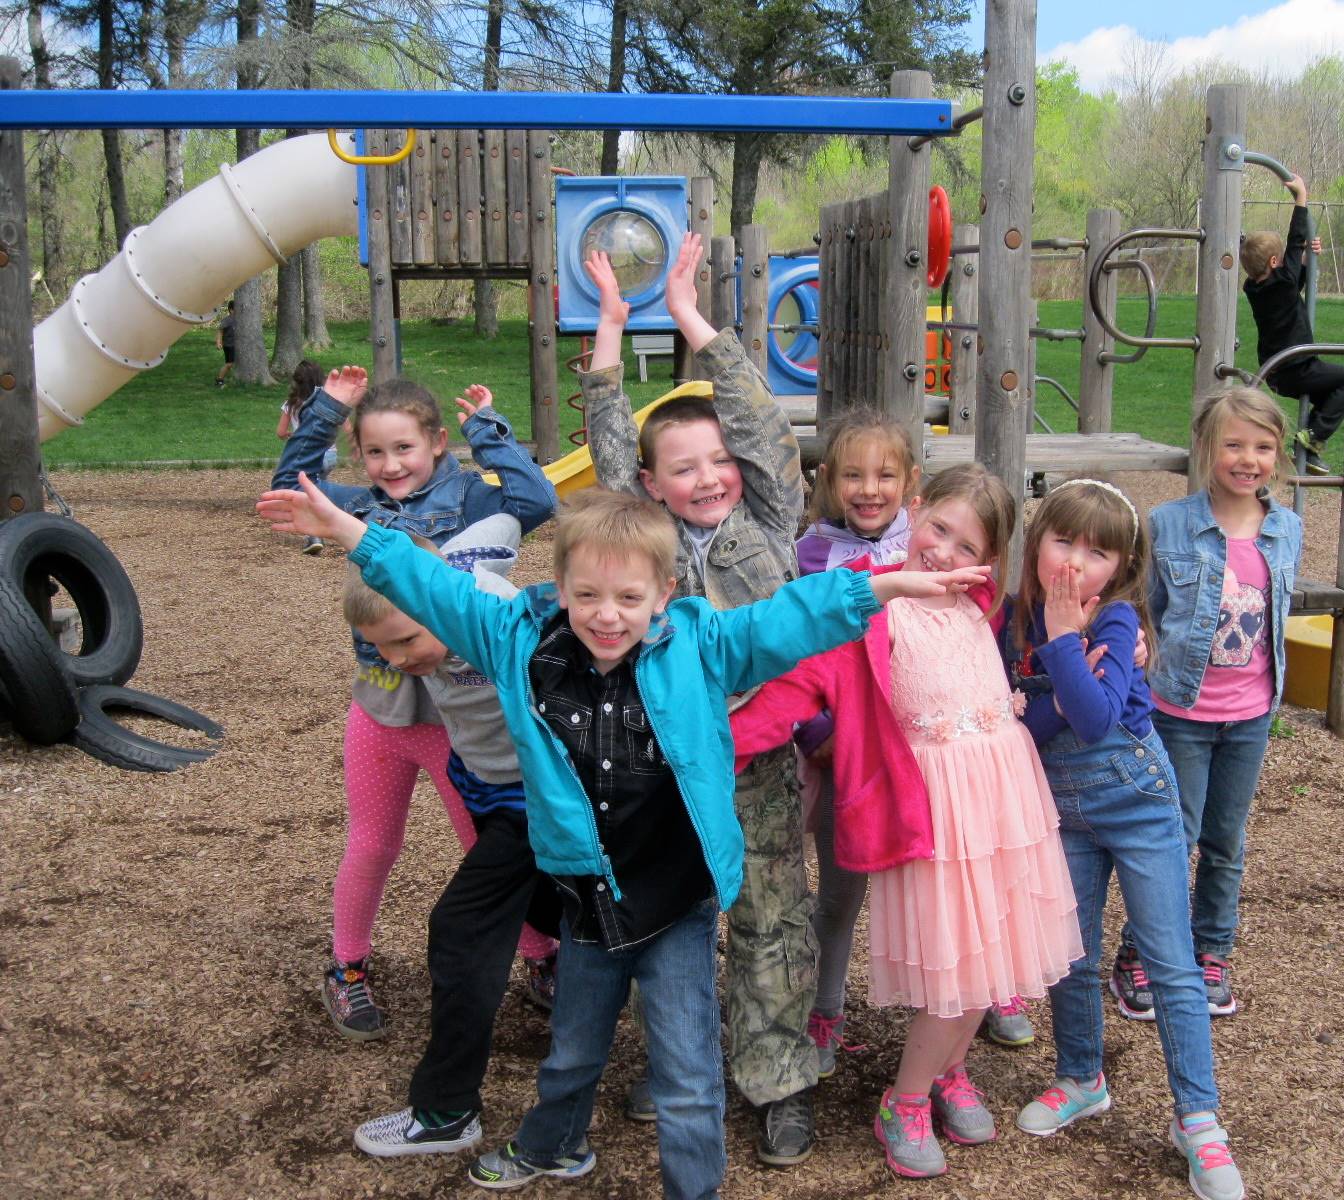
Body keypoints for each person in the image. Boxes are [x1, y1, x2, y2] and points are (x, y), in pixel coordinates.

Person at [254, 480, 990, 1199]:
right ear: (560, 586)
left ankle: (693, 1187)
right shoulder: (516, 640)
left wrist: (882, 588)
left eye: (630, 599)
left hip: (675, 901)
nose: (608, 616)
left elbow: (785, 618)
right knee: (572, 1051)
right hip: (588, 895)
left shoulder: (700, 644)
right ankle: (553, 1147)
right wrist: (349, 531)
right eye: (588, 597)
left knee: (686, 1072)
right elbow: (428, 585)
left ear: (665, 593)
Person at [730, 464, 1082, 1181]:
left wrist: (1123, 638)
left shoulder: (985, 605)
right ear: (916, 510)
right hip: (936, 809)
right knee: (959, 961)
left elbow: (1089, 598)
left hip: (1002, 799)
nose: (945, 551)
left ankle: (951, 1070)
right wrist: (723, 740)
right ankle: (907, 1098)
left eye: (967, 543)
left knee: (997, 952)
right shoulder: (875, 603)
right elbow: (803, 672)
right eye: (940, 528)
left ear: (989, 558)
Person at [581, 232, 822, 1164]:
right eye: (684, 468)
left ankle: (778, 1077)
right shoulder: (638, 537)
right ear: (652, 487)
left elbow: (761, 425)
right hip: (665, 768)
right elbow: (607, 442)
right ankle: (683, 1061)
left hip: (755, 762)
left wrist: (688, 317)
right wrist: (611, 326)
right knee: (666, 921)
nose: (709, 476)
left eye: (716, 460)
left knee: (770, 916)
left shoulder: (766, 522)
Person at [271, 365, 557, 1040]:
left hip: (459, 712)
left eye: (405, 447)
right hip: (380, 703)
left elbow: (537, 499)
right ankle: (346, 966)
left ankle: (541, 956)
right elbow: (289, 490)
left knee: (486, 845)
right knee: (373, 842)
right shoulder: (361, 510)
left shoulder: (473, 502)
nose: (390, 464)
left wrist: (485, 433)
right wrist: (325, 412)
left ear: (435, 443)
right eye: (375, 451)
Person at [1003, 480, 1244, 1200]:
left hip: (1138, 803)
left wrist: (1051, 661)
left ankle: (1198, 1118)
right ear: (1036, 540)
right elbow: (1039, 716)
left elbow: (1095, 715)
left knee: (1170, 961)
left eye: (1097, 551)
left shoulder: (1114, 621)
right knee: (1071, 956)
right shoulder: (1011, 622)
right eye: (1063, 540)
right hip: (1066, 812)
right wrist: (1034, 703)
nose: (1076, 562)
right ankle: (1081, 1077)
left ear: (1121, 565)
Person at [793, 411, 1036, 1065]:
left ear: (910, 486)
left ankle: (983, 990)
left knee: (960, 890)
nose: (869, 488)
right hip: (854, 757)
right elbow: (809, 662)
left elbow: (981, 653)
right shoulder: (818, 554)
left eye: (885, 475)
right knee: (843, 893)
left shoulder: (955, 573)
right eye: (853, 475)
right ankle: (824, 1008)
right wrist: (821, 733)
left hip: (939, 768)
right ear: (829, 480)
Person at [342, 516, 562, 1159]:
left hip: (536, 800)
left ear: (441, 601)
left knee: (462, 929)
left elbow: (518, 505)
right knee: (560, 911)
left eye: (406, 642)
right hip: (487, 788)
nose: (399, 662)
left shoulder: (495, 621)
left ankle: (444, 1111)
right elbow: (490, 528)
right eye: (380, 649)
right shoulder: (425, 601)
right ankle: (596, 1013)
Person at [1128, 388, 1303, 1024]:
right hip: (1181, 711)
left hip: (1250, 714)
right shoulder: (1170, 524)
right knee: (1175, 834)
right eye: (1233, 444)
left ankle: (1211, 951)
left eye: (1261, 447)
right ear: (1207, 448)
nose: (1247, 458)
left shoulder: (1286, 529)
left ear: (1277, 455)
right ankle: (1144, 952)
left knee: (1226, 841)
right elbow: (1145, 605)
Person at [1241, 173, 1344, 474]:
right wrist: (1301, 198)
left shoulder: (1253, 287)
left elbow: (1289, 286)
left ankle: (1310, 446)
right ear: (1275, 263)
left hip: (1276, 371)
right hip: (1297, 368)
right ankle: (1311, 439)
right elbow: (1296, 238)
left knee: (1333, 395)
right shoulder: (1282, 282)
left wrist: (1303, 262)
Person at [275, 359, 337, 554]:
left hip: (306, 458)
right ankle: (332, 526)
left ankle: (314, 536)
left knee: (305, 495)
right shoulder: (327, 404)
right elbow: (346, 426)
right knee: (319, 491)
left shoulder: (292, 405)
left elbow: (280, 432)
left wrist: (293, 436)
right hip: (330, 455)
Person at [214, 300, 235, 388]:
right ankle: (220, 379)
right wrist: (218, 342)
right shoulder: (227, 320)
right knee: (229, 364)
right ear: (231, 310)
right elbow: (220, 331)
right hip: (229, 345)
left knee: (232, 363)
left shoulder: (241, 319)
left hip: (236, 345)